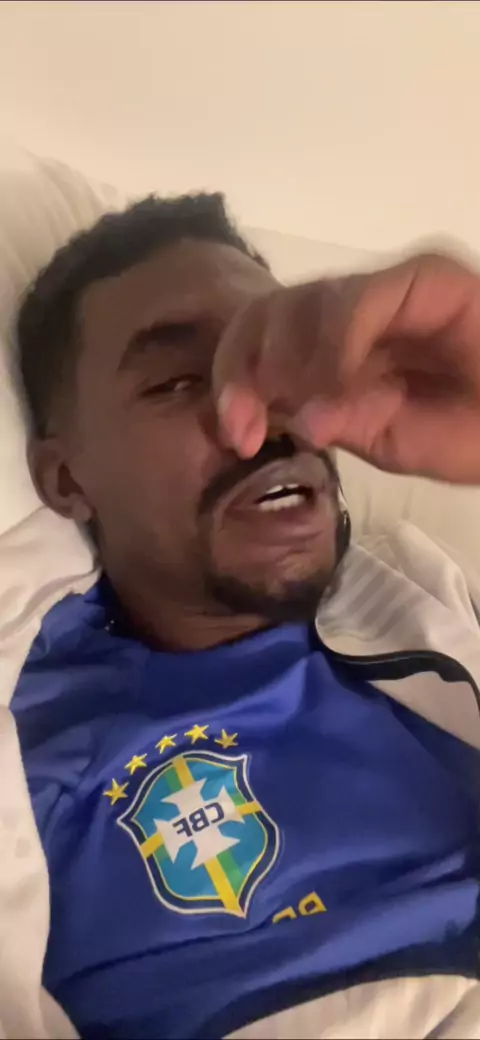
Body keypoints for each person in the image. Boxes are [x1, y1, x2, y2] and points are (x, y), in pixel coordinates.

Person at [11, 193, 480, 1040]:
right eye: (178, 382)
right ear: (66, 477)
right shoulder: (34, 749)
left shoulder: (430, 600)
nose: (260, 419)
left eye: (279, 369)